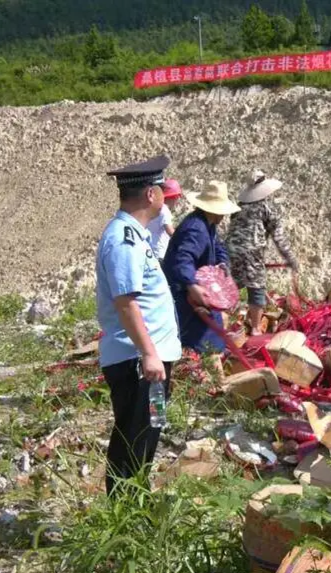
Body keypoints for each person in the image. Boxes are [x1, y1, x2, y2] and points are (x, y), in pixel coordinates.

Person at [96, 155, 182, 496]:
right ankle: (124, 511)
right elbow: (125, 301)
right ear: (150, 194)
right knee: (133, 439)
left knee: (148, 433)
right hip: (139, 362)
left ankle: (136, 502)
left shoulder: (136, 235)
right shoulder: (123, 240)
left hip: (152, 362)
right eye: (161, 188)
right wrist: (149, 354)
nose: (164, 195)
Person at [162, 180, 241, 357]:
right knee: (202, 338)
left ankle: (211, 363)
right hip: (183, 290)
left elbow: (218, 247)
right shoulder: (196, 229)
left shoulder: (209, 224)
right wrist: (192, 285)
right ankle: (202, 370)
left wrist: (222, 264)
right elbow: (183, 260)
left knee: (214, 329)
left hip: (200, 287)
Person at [226, 170, 299, 336]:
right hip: (252, 252)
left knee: (233, 286)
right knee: (256, 287)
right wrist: (290, 258)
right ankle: (256, 328)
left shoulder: (239, 207)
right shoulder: (268, 208)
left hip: (230, 249)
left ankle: (228, 325)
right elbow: (278, 238)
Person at [147, 178, 182, 261]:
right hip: (159, 253)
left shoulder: (153, 207)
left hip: (149, 251)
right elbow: (170, 231)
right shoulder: (164, 210)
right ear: (174, 197)